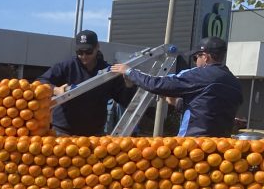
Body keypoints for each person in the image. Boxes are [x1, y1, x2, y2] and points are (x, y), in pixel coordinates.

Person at [111, 36, 241, 137]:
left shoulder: (199, 75)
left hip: (194, 143)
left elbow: (157, 84)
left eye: (196, 58)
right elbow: (207, 106)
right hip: (220, 146)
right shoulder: (234, 82)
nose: (195, 62)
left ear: (205, 57)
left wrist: (128, 71)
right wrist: (178, 102)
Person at [38, 30, 134, 136]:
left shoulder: (109, 71)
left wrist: (129, 85)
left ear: (97, 47)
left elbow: (126, 100)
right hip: (63, 132)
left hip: (94, 135)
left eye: (88, 51)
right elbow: (40, 83)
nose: (84, 56)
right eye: (80, 52)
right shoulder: (66, 66)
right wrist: (56, 90)